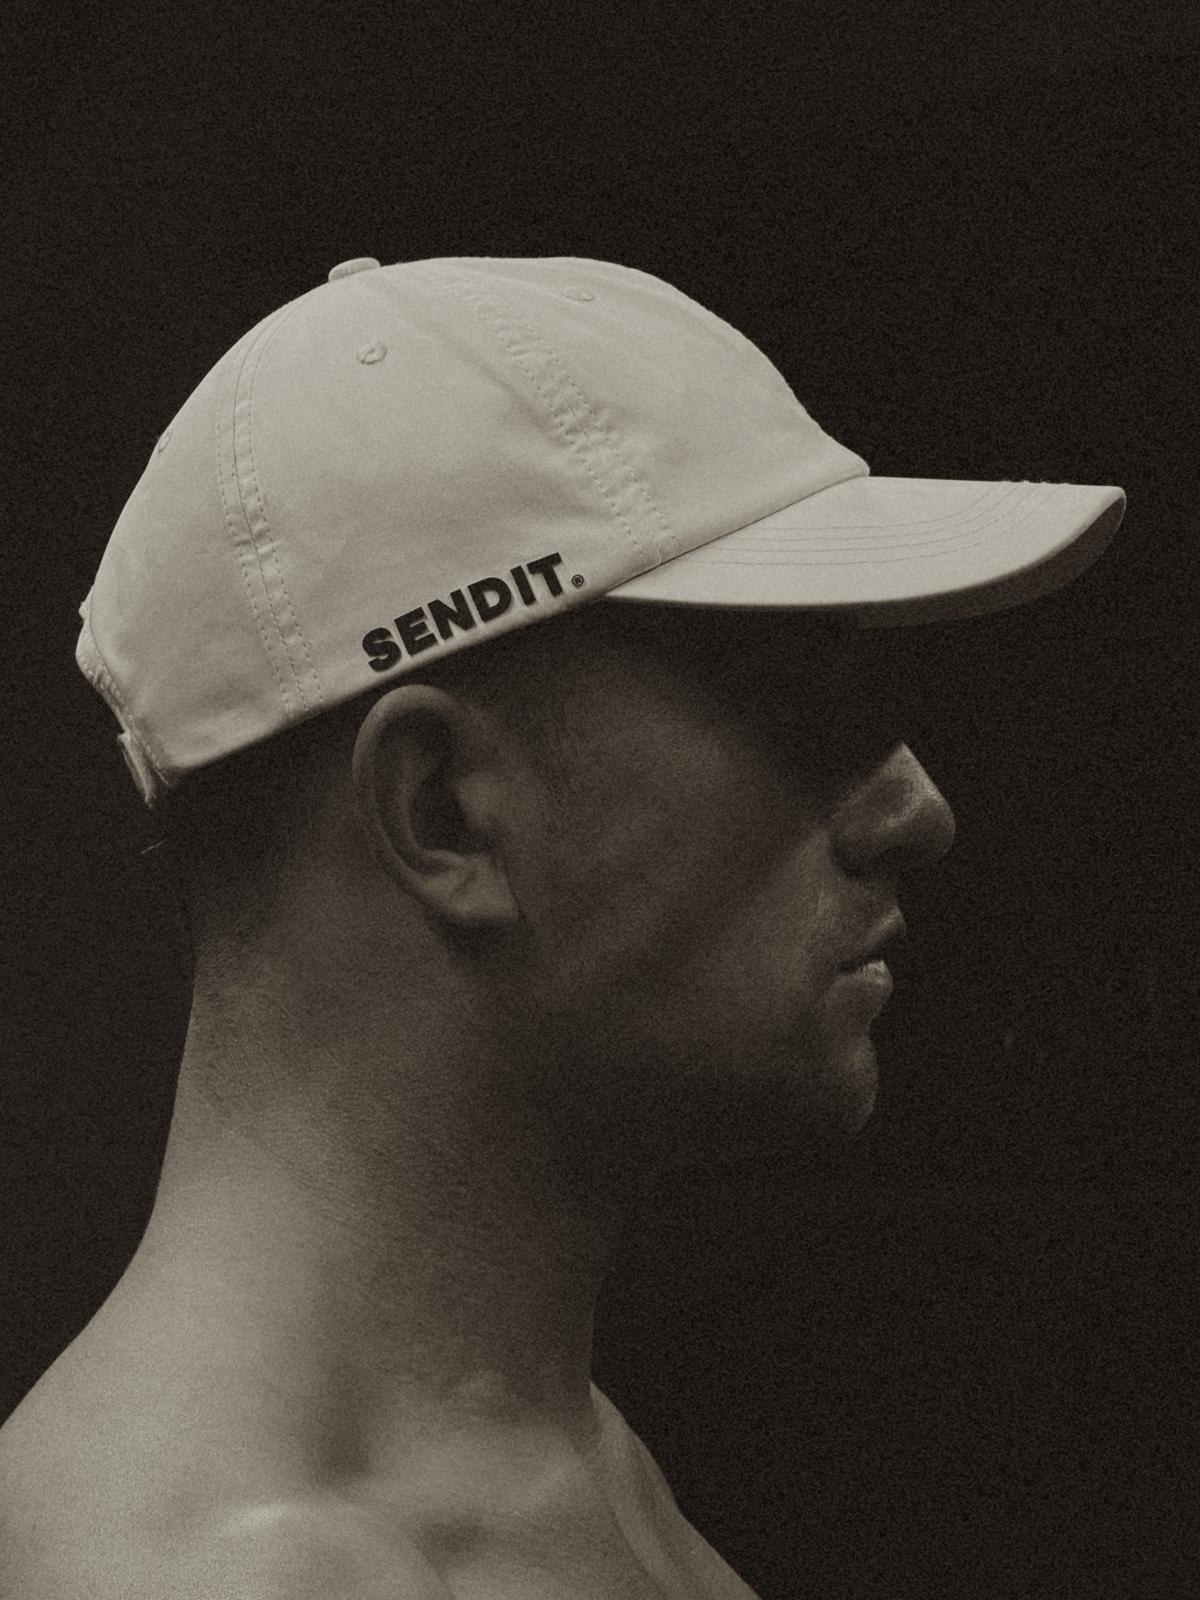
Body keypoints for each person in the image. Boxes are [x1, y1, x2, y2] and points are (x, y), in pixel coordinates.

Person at [0, 254, 1125, 1599]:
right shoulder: (217, 1577)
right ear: (445, 812)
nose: (916, 809)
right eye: (791, 695)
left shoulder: (551, 1464)